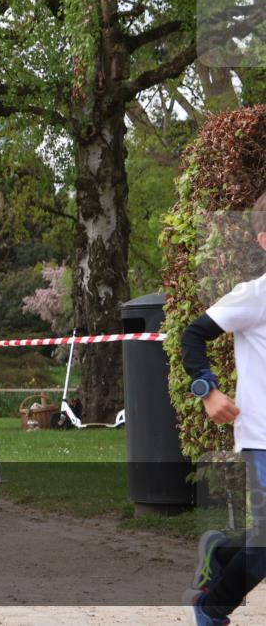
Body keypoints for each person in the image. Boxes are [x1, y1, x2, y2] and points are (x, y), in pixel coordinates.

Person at [183, 192, 266, 626]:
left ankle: (223, 551)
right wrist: (207, 390)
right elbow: (192, 336)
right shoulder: (254, 296)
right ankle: (211, 607)